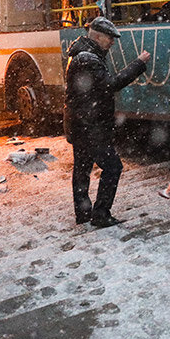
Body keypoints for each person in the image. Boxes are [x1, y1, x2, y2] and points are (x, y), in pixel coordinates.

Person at [64, 17, 149, 228]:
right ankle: (100, 214)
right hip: (90, 126)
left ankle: (83, 213)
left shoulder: (82, 54)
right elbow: (110, 85)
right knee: (112, 167)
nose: (113, 42)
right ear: (98, 36)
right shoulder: (88, 59)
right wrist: (138, 64)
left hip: (80, 123)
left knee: (82, 168)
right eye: (110, 38)